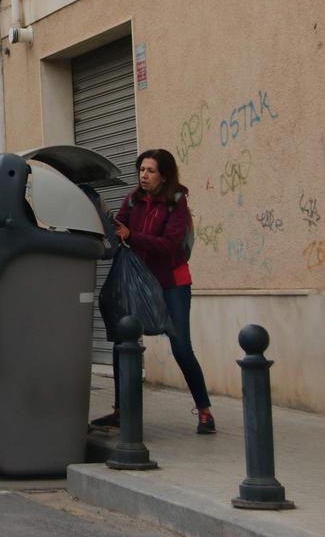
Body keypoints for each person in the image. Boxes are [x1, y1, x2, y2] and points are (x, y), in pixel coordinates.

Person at [90, 148, 216, 435]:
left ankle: (205, 412)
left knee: (180, 346)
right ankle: (122, 411)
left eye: (150, 171)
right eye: (141, 169)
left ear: (164, 176)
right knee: (124, 342)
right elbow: (118, 228)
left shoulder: (176, 202)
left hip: (172, 282)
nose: (143, 175)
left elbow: (169, 245)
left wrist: (132, 236)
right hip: (139, 280)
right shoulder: (133, 200)